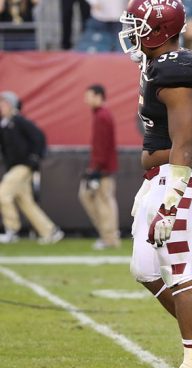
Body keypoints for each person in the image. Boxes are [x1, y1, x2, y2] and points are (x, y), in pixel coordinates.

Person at [118, 1, 192, 368]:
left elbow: (186, 141)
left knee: (180, 270)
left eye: (137, 24)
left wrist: (172, 201)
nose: (131, 31)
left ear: (158, 32)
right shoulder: (158, 65)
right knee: (144, 267)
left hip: (180, 175)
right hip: (162, 174)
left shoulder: (175, 69)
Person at [0, 91, 64, 245]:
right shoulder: (4, 124)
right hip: (14, 168)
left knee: (2, 194)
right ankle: (50, 232)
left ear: (11, 105)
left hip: (23, 166)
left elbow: (39, 136)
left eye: (3, 103)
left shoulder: (19, 121)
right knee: (26, 203)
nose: (1, 106)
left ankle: (11, 230)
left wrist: (35, 157)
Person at [79, 84, 120, 250]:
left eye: (89, 95)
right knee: (91, 197)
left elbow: (102, 145)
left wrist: (96, 168)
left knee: (104, 201)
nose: (86, 99)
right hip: (100, 166)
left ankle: (110, 238)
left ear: (98, 96)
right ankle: (107, 236)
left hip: (103, 169)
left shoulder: (102, 116)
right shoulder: (100, 115)